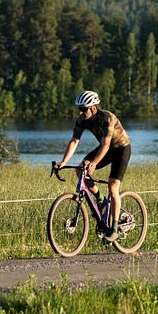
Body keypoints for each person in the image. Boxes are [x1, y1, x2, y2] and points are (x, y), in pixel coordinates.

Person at [55, 90, 131, 242]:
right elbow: (74, 141)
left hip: (121, 149)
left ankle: (114, 229)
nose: (80, 112)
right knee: (79, 170)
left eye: (84, 109)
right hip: (106, 149)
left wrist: (94, 163)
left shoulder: (107, 118)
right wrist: (62, 162)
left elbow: (105, 144)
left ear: (93, 108)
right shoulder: (81, 120)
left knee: (113, 186)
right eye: (79, 109)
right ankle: (101, 199)